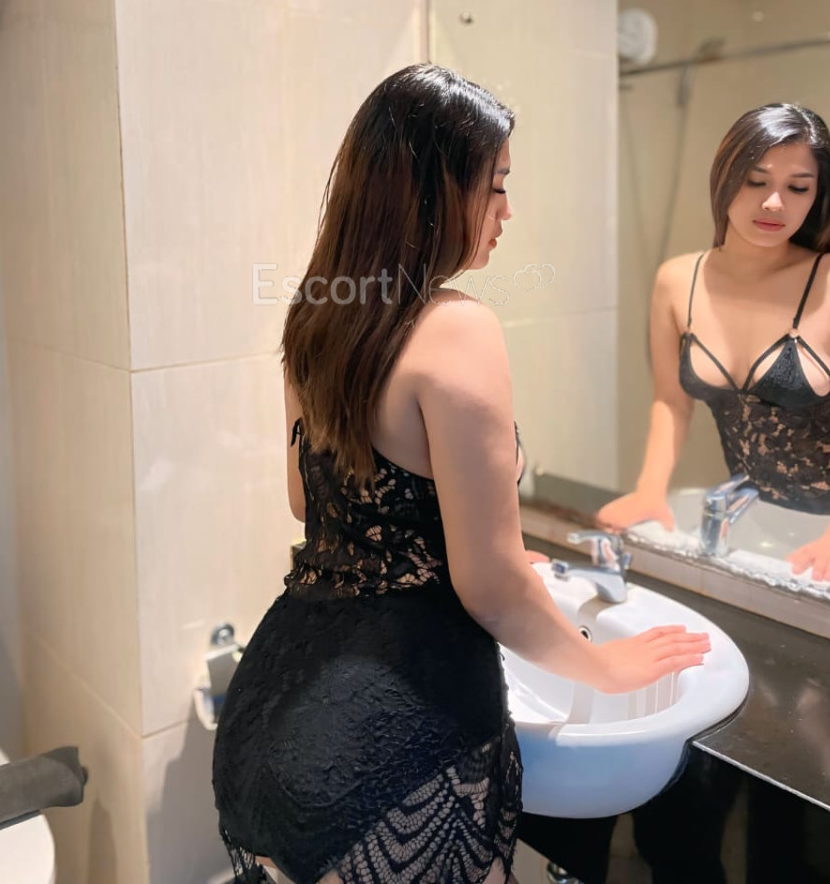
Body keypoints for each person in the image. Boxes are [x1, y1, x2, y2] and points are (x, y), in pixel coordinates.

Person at [211, 64, 710, 884]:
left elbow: (310, 503)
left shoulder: (317, 317)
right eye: (496, 185)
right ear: (434, 190)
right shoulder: (456, 328)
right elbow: (493, 590)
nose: (508, 211)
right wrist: (605, 665)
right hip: (392, 741)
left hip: (272, 711)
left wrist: (463, 544)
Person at [598, 102, 830, 582]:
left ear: (817, 194)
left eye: (798, 187)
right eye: (756, 181)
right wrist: (650, 489)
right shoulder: (677, 281)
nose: (774, 202)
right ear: (724, 178)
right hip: (759, 525)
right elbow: (671, 401)